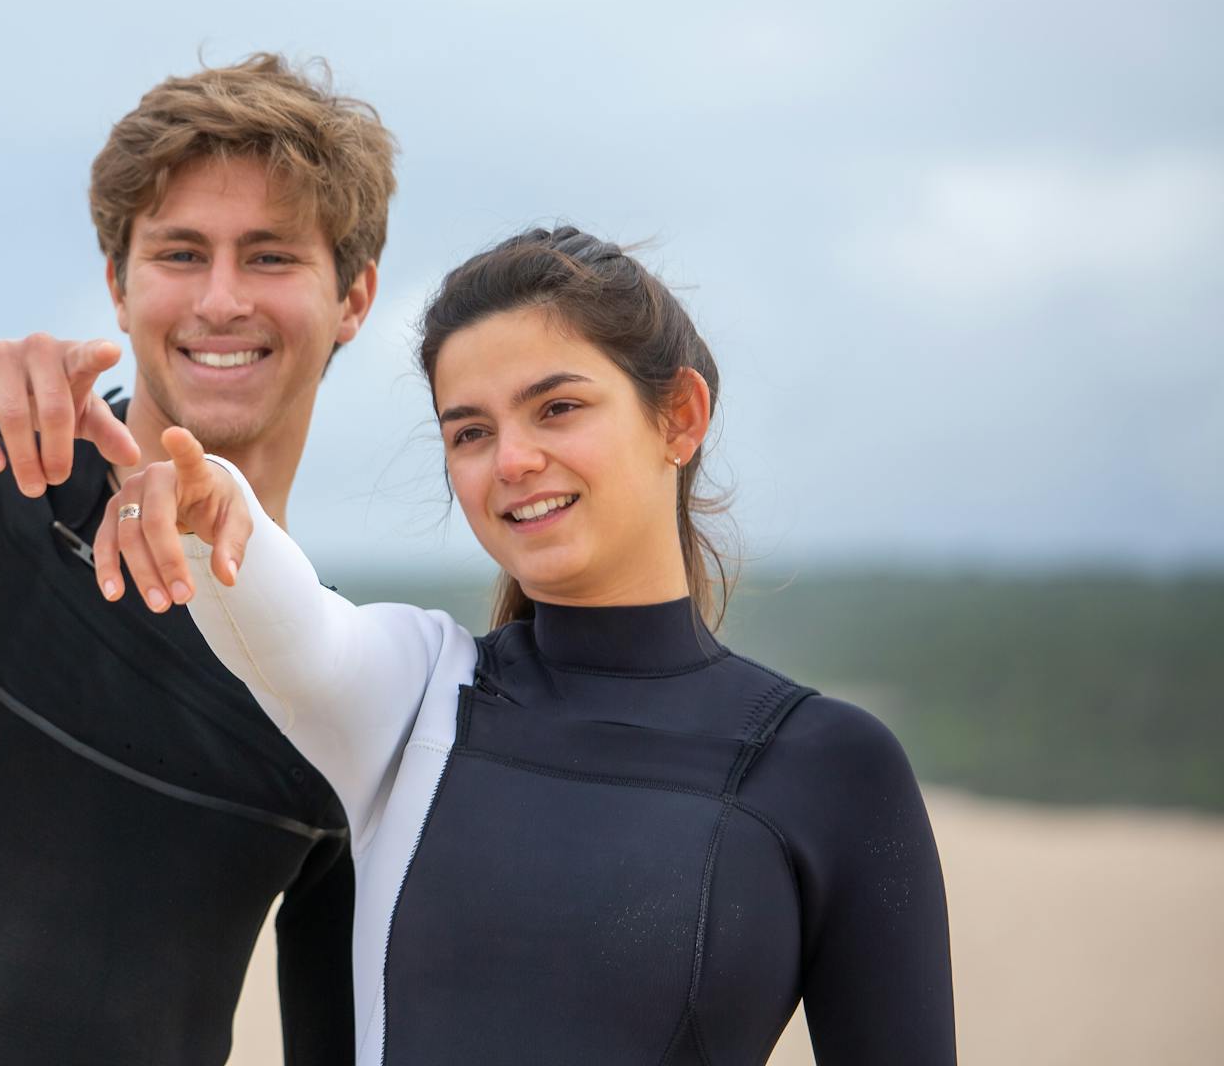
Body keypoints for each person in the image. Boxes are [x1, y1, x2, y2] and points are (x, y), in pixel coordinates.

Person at [98, 227, 958, 1065]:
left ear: (680, 417)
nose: (512, 459)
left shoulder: (828, 767)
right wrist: (223, 513)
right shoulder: (421, 699)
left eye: (558, 408)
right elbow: (305, 636)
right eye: (469, 432)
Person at [0, 54, 396, 1066]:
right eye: (182, 253)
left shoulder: (333, 680)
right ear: (118, 282)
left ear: (355, 296)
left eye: (271, 256)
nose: (222, 299)